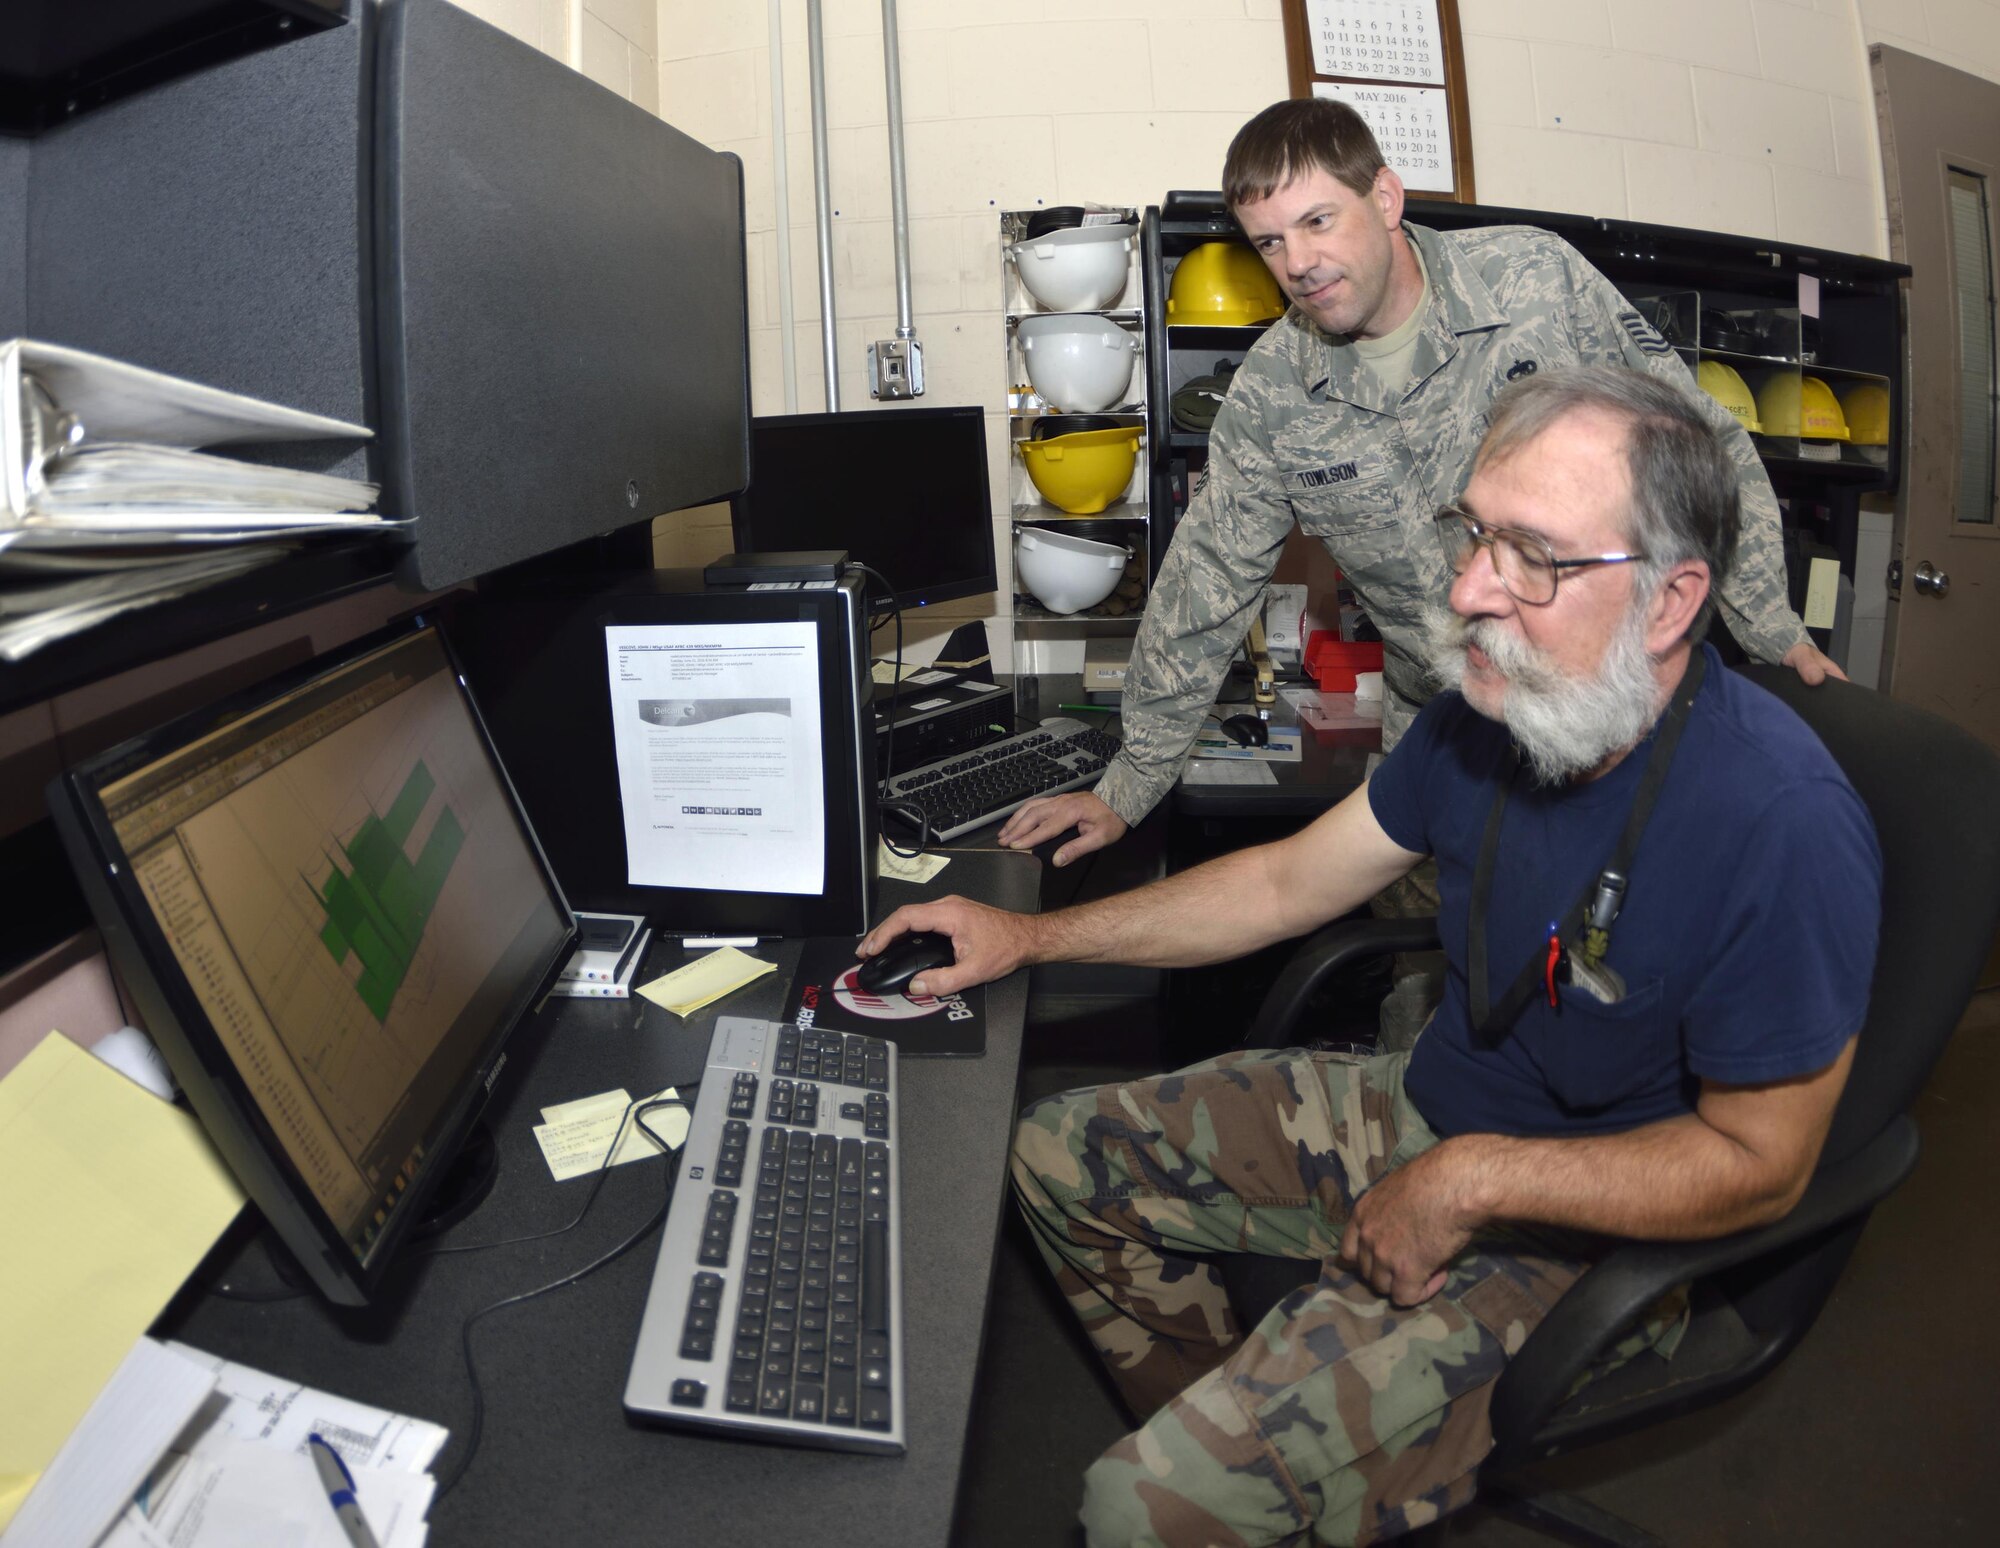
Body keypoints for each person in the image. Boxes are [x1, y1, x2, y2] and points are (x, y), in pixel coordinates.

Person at [859, 367, 1880, 1546]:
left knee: (1126, 1511)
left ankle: (1230, 1479)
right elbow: (1285, 882)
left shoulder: (1781, 822)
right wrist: (1027, 938)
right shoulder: (1484, 715)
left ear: (1667, 602)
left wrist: (1470, 1181)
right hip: (1427, 1107)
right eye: (1473, 534)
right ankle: (1264, 1467)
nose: (1464, 590)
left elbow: (1760, 1165)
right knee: (1047, 1156)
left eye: (1530, 559)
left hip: (1582, 1232)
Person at [1001, 97, 1842, 872]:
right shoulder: (1272, 393)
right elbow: (1206, 584)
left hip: (1607, 715)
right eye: (1269, 242)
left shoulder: (1535, 284)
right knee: (1440, 971)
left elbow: (1701, 443)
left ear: (1387, 198)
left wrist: (1772, 627)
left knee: (1621, 969)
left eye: (1318, 221)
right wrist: (1129, 784)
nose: (1297, 262)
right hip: (1450, 736)